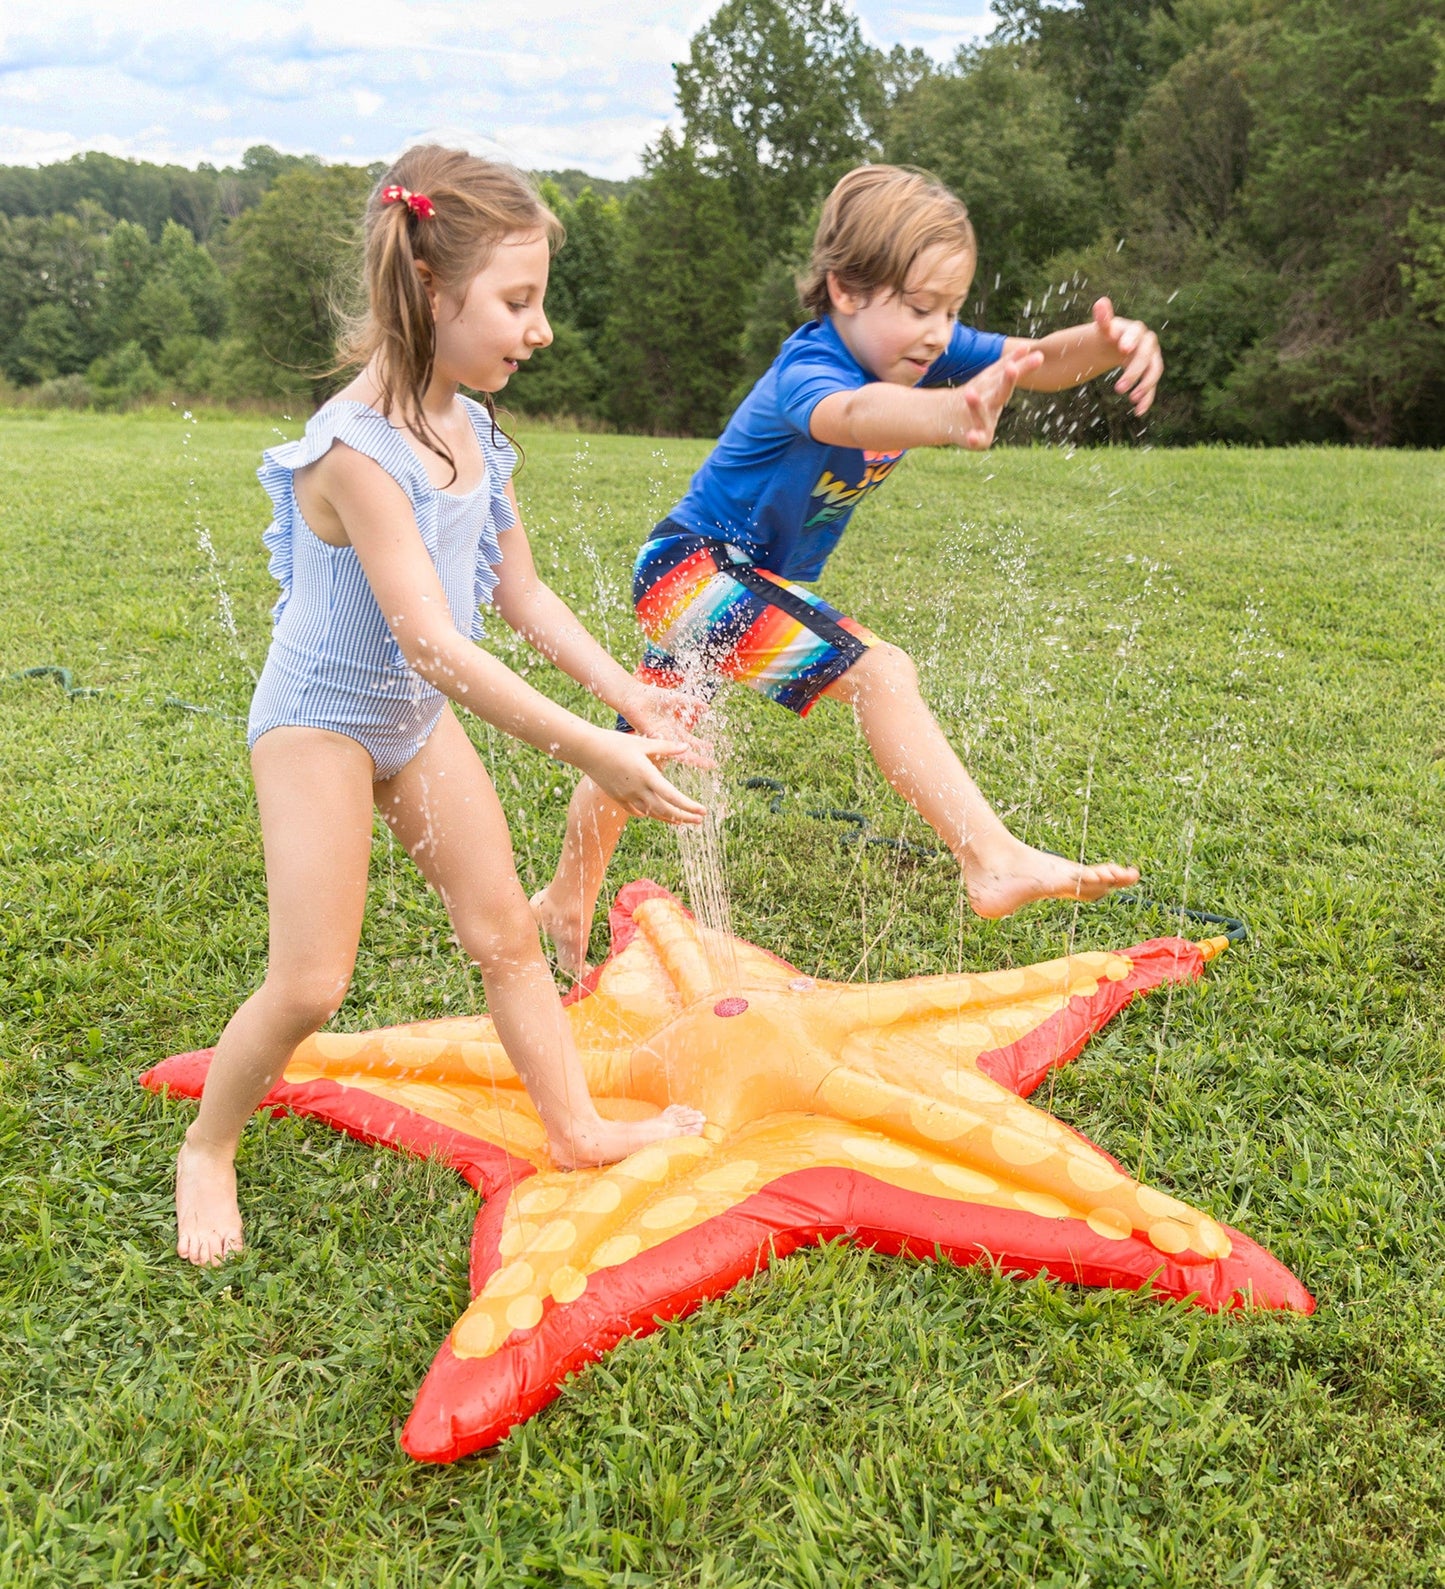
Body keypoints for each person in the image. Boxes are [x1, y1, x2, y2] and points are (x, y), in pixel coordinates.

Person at [175, 146, 710, 1267]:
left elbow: (516, 590)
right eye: (517, 300)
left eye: (539, 300)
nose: (542, 326)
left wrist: (626, 695)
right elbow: (432, 636)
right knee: (310, 983)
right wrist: (591, 750)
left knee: (506, 931)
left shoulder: (474, 431)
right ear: (429, 290)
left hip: (411, 722)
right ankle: (208, 1146)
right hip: (319, 723)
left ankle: (573, 1127)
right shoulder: (357, 451)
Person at [534, 163, 1162, 977]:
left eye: (951, 309)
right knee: (880, 672)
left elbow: (1034, 359)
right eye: (919, 306)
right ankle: (989, 856)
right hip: (692, 570)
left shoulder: (916, 347)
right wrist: (947, 411)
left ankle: (562, 899)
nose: (940, 333)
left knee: (645, 746)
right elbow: (853, 415)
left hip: (710, 581)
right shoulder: (812, 367)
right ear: (844, 290)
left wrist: (1106, 345)